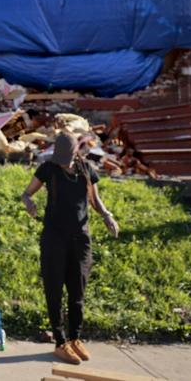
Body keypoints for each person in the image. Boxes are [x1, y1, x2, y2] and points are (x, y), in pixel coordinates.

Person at [21, 132, 120, 365]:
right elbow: (27, 193)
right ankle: (60, 342)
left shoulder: (86, 169)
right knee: (54, 291)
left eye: (67, 157)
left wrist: (107, 216)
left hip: (80, 239)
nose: (63, 161)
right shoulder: (49, 169)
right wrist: (29, 203)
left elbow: (94, 200)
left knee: (78, 292)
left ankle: (75, 337)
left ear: (76, 152)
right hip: (54, 238)